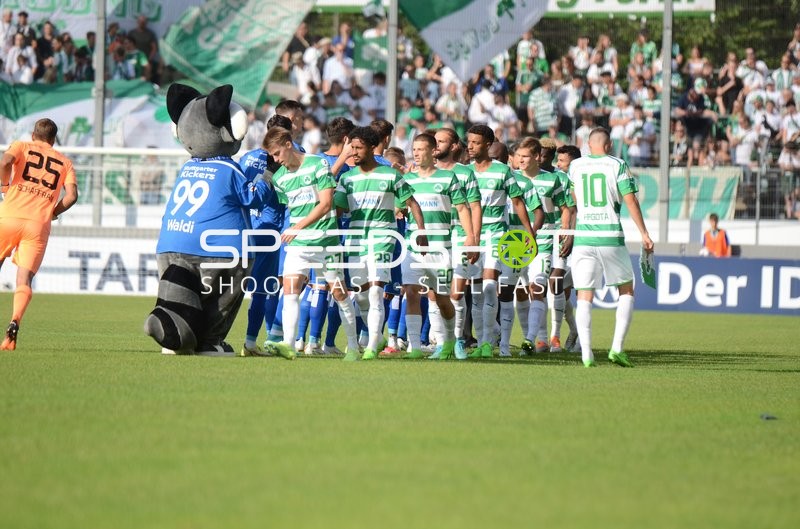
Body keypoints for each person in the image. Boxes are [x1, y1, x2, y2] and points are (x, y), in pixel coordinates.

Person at [262, 126, 361, 361]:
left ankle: (353, 347)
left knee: (339, 293)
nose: (275, 160)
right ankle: (288, 344)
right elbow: (294, 208)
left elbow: (326, 204)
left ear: (288, 144)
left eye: (277, 153)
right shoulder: (279, 178)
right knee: (290, 291)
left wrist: (297, 227)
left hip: (326, 242)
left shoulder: (318, 164)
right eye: (271, 156)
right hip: (298, 245)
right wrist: (296, 229)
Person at [334, 126, 427, 360]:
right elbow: (337, 210)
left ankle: (372, 345)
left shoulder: (391, 175)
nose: (354, 152)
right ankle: (377, 336)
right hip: (355, 241)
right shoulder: (347, 178)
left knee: (376, 292)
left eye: (358, 148)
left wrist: (421, 231)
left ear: (371, 148)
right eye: (352, 148)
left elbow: (412, 203)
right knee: (361, 296)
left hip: (383, 237)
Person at [567, 127, 654, 368]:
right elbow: (630, 200)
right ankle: (617, 348)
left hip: (584, 237)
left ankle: (586, 354)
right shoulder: (617, 164)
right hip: (610, 236)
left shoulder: (575, 166)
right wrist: (644, 233)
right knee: (626, 290)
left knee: (584, 295)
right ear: (609, 146)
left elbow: (573, 198)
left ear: (588, 145)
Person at [0, 118, 78, 350]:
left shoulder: (21, 146)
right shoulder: (65, 162)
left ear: (33, 135)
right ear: (53, 140)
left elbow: (5, 162)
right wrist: (53, 212)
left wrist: (5, 187)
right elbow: (72, 196)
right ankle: (14, 321)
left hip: (9, 217)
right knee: (24, 279)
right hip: (37, 225)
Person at [399, 133, 475, 359]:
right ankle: (414, 347)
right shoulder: (407, 180)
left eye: (421, 149)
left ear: (433, 152)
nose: (416, 153)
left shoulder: (448, 178)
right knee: (411, 292)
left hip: (441, 248)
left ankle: (450, 340)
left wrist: (471, 237)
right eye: (414, 149)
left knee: (442, 298)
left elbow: (462, 208)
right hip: (413, 247)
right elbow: (399, 207)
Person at [465, 125, 536, 359]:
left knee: (489, 288)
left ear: (488, 144)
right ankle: (483, 340)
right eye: (469, 141)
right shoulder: (464, 172)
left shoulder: (502, 171)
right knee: (476, 293)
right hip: (472, 237)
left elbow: (517, 202)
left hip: (496, 235)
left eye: (476, 142)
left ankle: (490, 343)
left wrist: (529, 234)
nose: (470, 146)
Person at [433, 128, 482, 358]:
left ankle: (459, 340)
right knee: (435, 293)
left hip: (461, 236)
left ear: (453, 146)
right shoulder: (424, 173)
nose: (436, 145)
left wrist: (473, 238)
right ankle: (441, 343)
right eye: (434, 141)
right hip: (437, 238)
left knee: (456, 292)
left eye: (441, 141)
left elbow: (474, 206)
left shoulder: (465, 173)